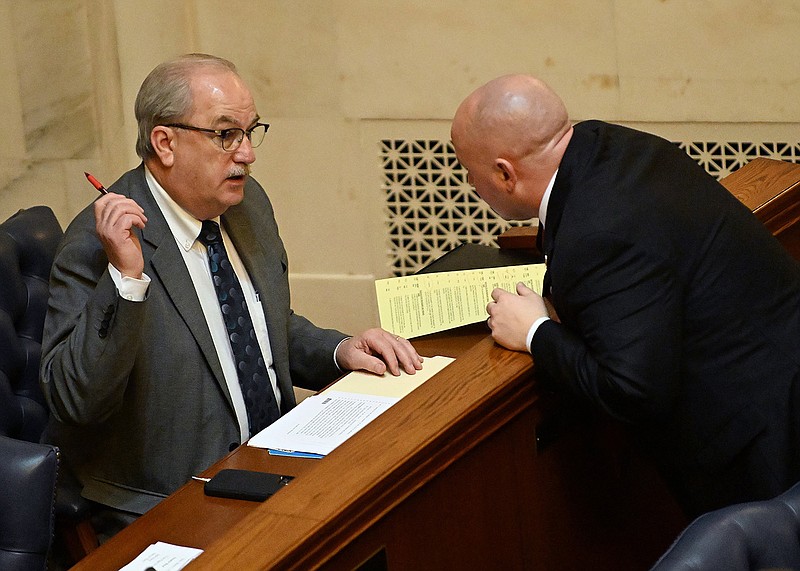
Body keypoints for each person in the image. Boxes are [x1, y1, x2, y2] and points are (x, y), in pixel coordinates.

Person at [39, 53, 422, 532]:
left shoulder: (245, 203)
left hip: (278, 462)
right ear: (165, 142)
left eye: (250, 131)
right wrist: (127, 280)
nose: (247, 153)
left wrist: (341, 350)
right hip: (171, 501)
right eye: (225, 135)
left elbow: (258, 325)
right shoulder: (98, 244)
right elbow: (76, 400)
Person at [450, 74, 800, 517]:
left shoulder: (597, 230)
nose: (471, 184)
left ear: (504, 173)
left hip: (764, 440)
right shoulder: (607, 143)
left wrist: (535, 333)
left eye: (470, 172)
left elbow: (633, 391)